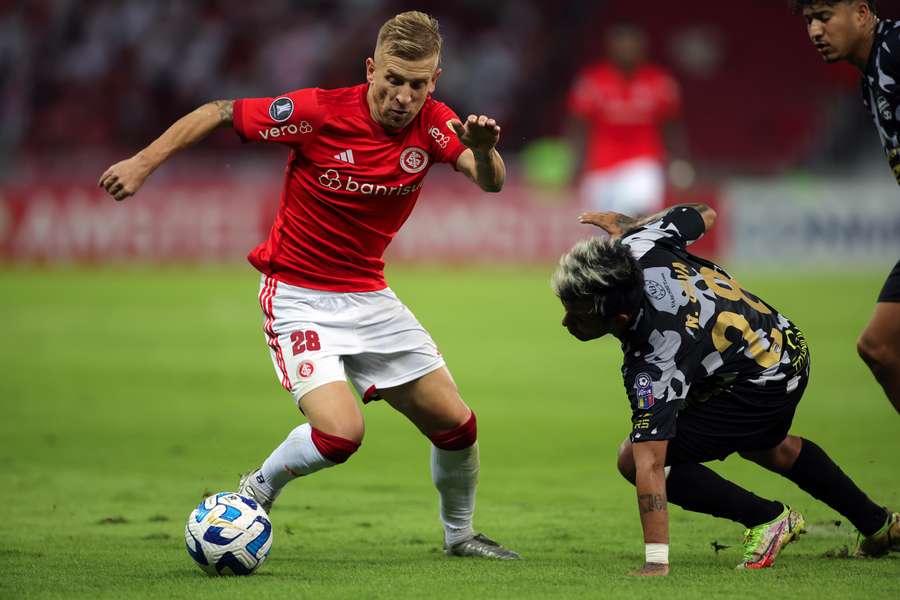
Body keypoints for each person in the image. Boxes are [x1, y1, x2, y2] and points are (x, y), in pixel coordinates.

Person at [98, 11, 519, 560]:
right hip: (299, 297)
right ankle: (256, 490)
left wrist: (485, 150)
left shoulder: (437, 124)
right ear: (371, 70)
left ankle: (460, 537)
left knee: (458, 425)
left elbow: (491, 182)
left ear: (433, 82)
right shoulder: (319, 113)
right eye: (392, 80)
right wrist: (141, 162)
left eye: (417, 85)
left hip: (369, 296)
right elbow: (220, 112)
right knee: (342, 435)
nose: (402, 96)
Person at [551, 204, 899, 576]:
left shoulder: (656, 354)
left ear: (618, 319)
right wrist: (634, 225)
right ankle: (878, 524)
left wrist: (655, 562)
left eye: (579, 315)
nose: (565, 322)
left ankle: (768, 519)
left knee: (631, 458)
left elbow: (650, 461)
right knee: (770, 447)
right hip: (781, 343)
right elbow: (704, 212)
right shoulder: (640, 243)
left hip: (761, 381)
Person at [794, 0, 900, 414]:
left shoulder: (895, 47)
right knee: (878, 347)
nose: (816, 31)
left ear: (860, 13)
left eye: (824, 17)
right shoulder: (870, 75)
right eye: (809, 22)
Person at [565, 23, 691, 217]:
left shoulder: (660, 83)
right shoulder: (592, 81)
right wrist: (573, 163)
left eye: (632, 46)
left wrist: (680, 160)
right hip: (600, 167)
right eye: (622, 46)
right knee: (606, 236)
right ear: (611, 48)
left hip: (643, 164)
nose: (627, 51)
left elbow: (671, 126)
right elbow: (578, 126)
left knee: (638, 214)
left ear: (643, 49)